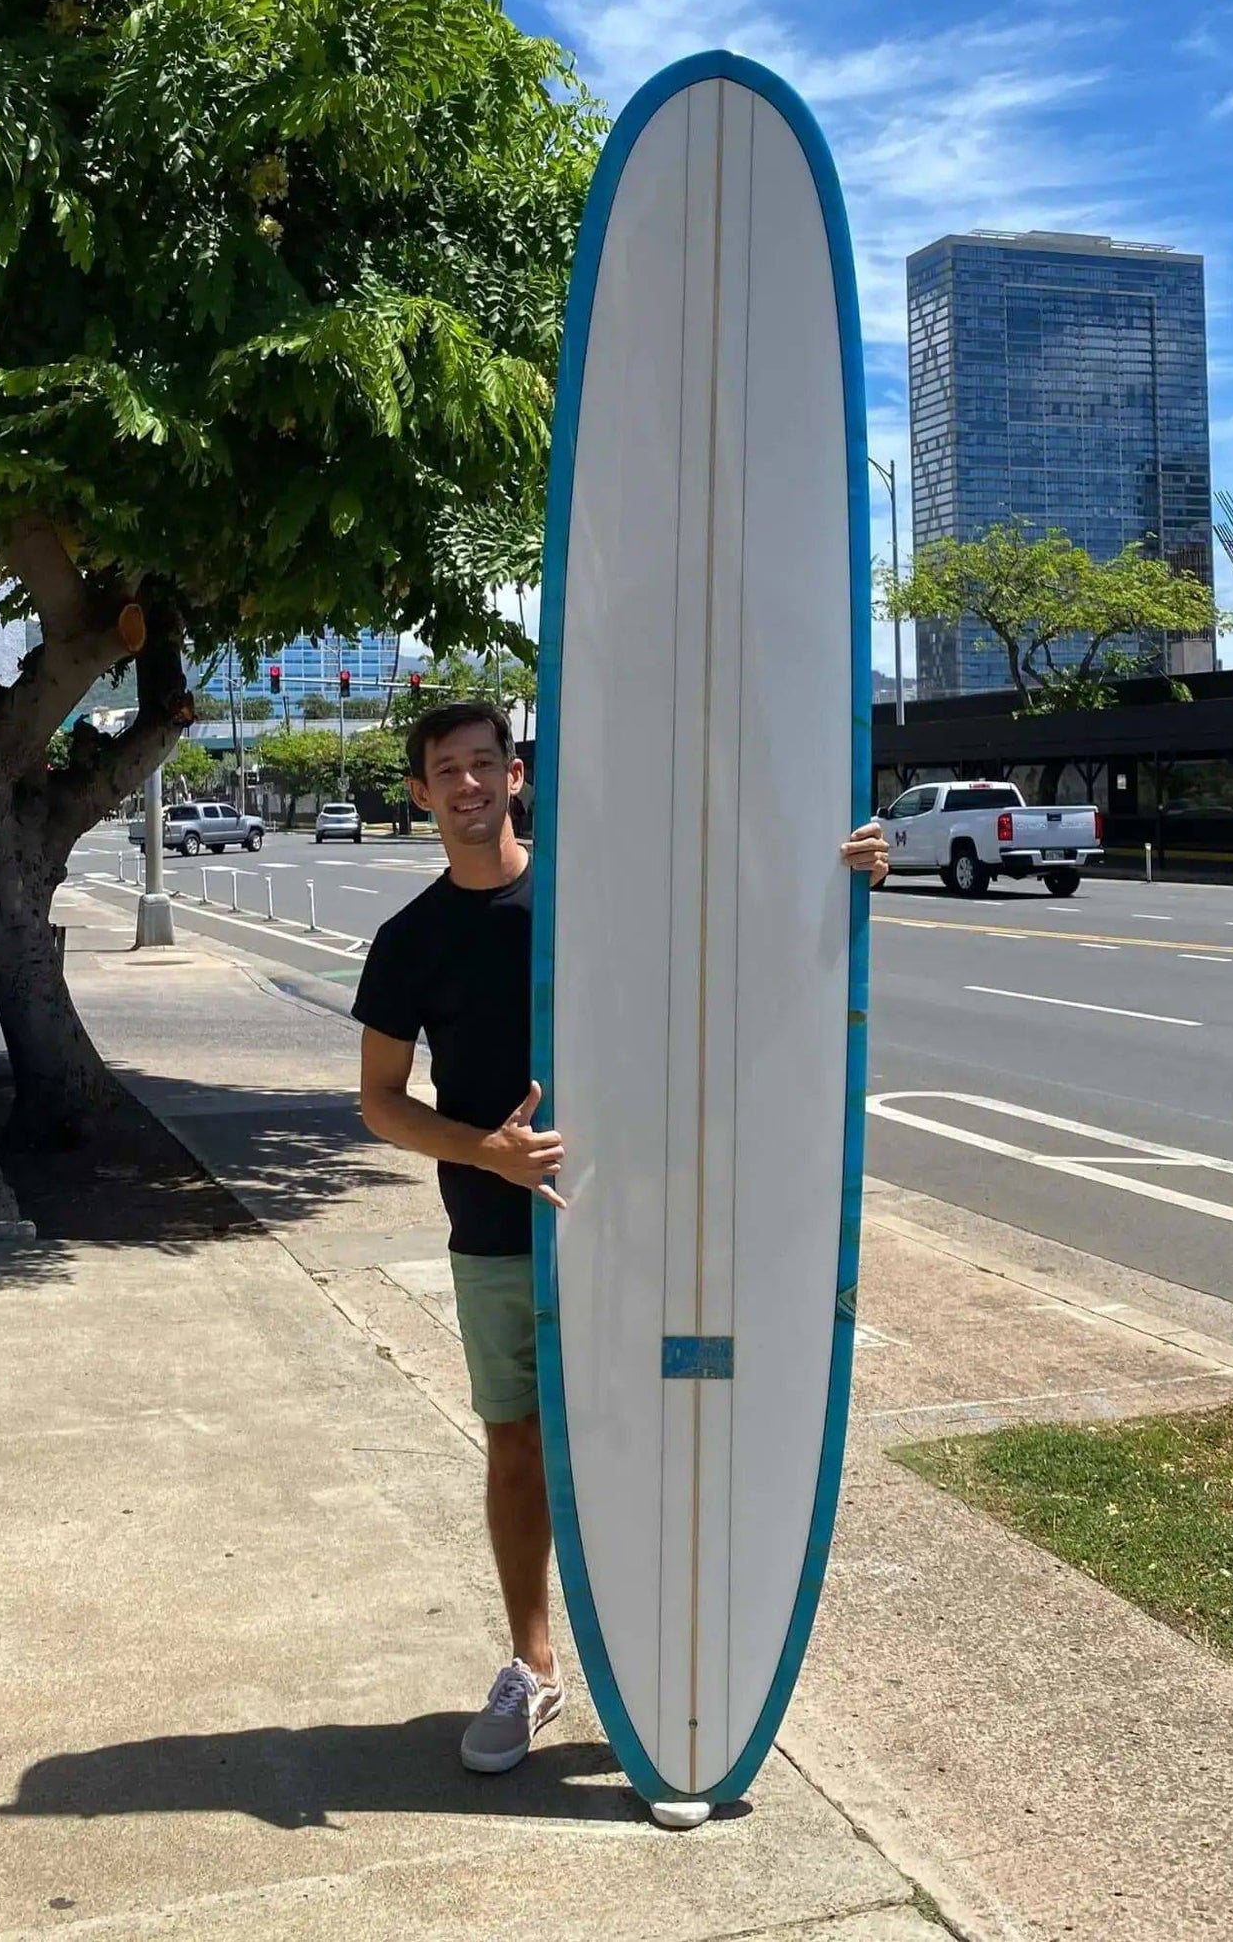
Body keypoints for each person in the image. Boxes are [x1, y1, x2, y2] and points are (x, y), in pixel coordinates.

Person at [352, 699, 890, 1775]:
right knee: (517, 1447)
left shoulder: (589, 897)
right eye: (443, 771)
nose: (465, 785)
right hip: (497, 1230)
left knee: (646, 1432)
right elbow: (379, 1101)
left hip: (634, 1231)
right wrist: (483, 1150)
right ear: (418, 792)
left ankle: (667, 1664)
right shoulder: (408, 939)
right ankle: (532, 1664)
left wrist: (834, 876)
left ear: (515, 776)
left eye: (482, 764)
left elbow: (723, 953)